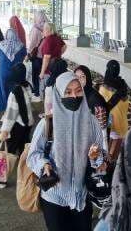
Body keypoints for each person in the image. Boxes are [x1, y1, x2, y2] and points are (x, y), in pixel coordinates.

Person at [27, 72, 104, 231]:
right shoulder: (48, 123)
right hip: (54, 197)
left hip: (81, 196)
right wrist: (44, 165)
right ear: (58, 94)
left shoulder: (92, 123)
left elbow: (100, 159)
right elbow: (34, 154)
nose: (74, 96)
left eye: (78, 90)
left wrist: (96, 157)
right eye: (68, 92)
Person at [0, 63, 35, 156]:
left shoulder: (14, 93)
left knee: (11, 148)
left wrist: (4, 130)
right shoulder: (28, 86)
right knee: (24, 146)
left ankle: (9, 166)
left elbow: (11, 114)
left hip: (18, 124)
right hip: (28, 122)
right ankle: (25, 166)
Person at [99, 60, 129, 163]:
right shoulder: (123, 85)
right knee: (114, 156)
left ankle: (107, 170)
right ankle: (110, 167)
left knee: (107, 155)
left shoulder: (104, 87)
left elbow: (101, 106)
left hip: (110, 124)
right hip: (122, 124)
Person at [0, 29, 27, 112]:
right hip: (17, 71)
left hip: (3, 70)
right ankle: (15, 108)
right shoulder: (21, 45)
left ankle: (5, 109)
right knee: (16, 89)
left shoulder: (1, 45)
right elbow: (24, 56)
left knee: (2, 89)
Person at [38, 22, 66, 97]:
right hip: (57, 66)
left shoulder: (48, 40)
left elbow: (46, 57)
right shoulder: (57, 37)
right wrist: (58, 54)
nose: (43, 31)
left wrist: (42, 72)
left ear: (49, 30)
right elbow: (64, 46)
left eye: (44, 29)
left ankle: (46, 104)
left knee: (47, 90)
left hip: (49, 70)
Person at [28, 11, 49, 95]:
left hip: (37, 56)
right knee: (43, 74)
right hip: (45, 56)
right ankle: (43, 91)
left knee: (36, 75)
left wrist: (28, 54)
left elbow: (32, 43)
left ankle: (37, 92)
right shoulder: (47, 27)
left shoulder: (36, 28)